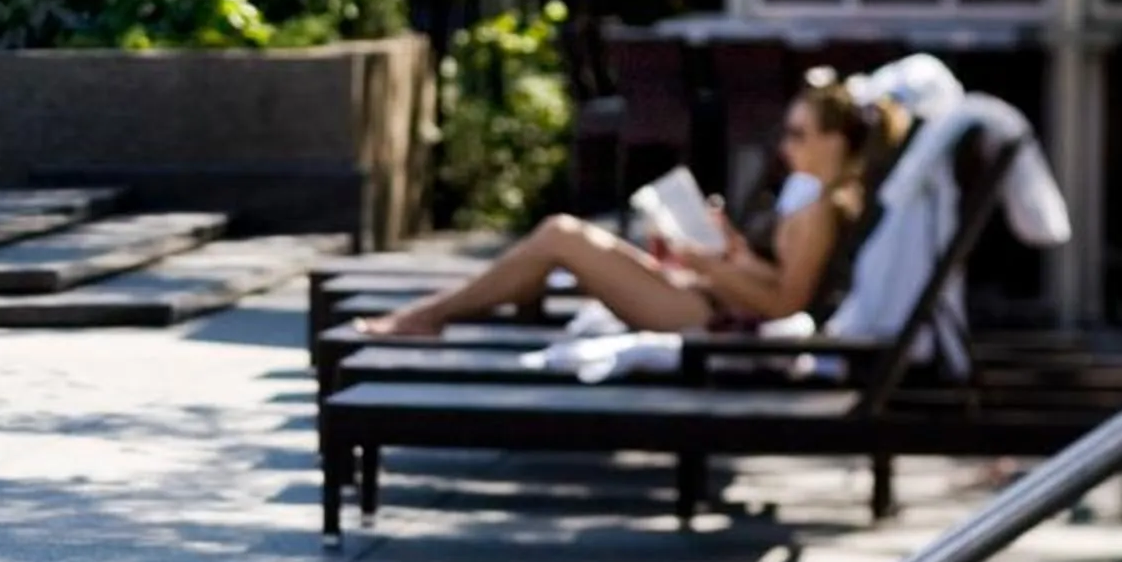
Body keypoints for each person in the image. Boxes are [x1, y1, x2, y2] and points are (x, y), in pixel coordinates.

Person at [356, 68, 886, 340]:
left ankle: (429, 315)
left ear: (835, 141)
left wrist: (708, 264)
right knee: (561, 246)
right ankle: (451, 311)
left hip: (708, 314)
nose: (785, 144)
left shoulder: (820, 211)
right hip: (705, 296)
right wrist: (728, 249)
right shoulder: (815, 198)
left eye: (798, 134)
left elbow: (782, 307)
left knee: (562, 235)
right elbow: (773, 280)